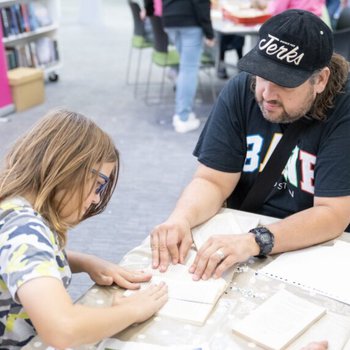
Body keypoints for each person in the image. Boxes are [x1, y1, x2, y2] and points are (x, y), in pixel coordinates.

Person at [150, 9, 350, 284]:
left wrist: (257, 240)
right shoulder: (242, 89)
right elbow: (212, 180)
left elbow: (333, 213)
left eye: (284, 83)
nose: (267, 94)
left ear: (320, 80)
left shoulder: (344, 109)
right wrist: (180, 219)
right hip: (240, 233)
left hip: (314, 248)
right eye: (263, 75)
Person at [0, 109, 168, 349]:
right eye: (98, 185)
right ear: (67, 166)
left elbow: (21, 260)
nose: (97, 200)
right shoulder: (25, 230)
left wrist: (85, 262)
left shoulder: (14, 206)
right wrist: (132, 310)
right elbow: (62, 328)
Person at [162, 0, 215, 133]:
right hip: (189, 21)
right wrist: (209, 32)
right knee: (188, 69)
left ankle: (183, 111)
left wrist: (149, 9)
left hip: (170, 18)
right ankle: (183, 117)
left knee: (185, 67)